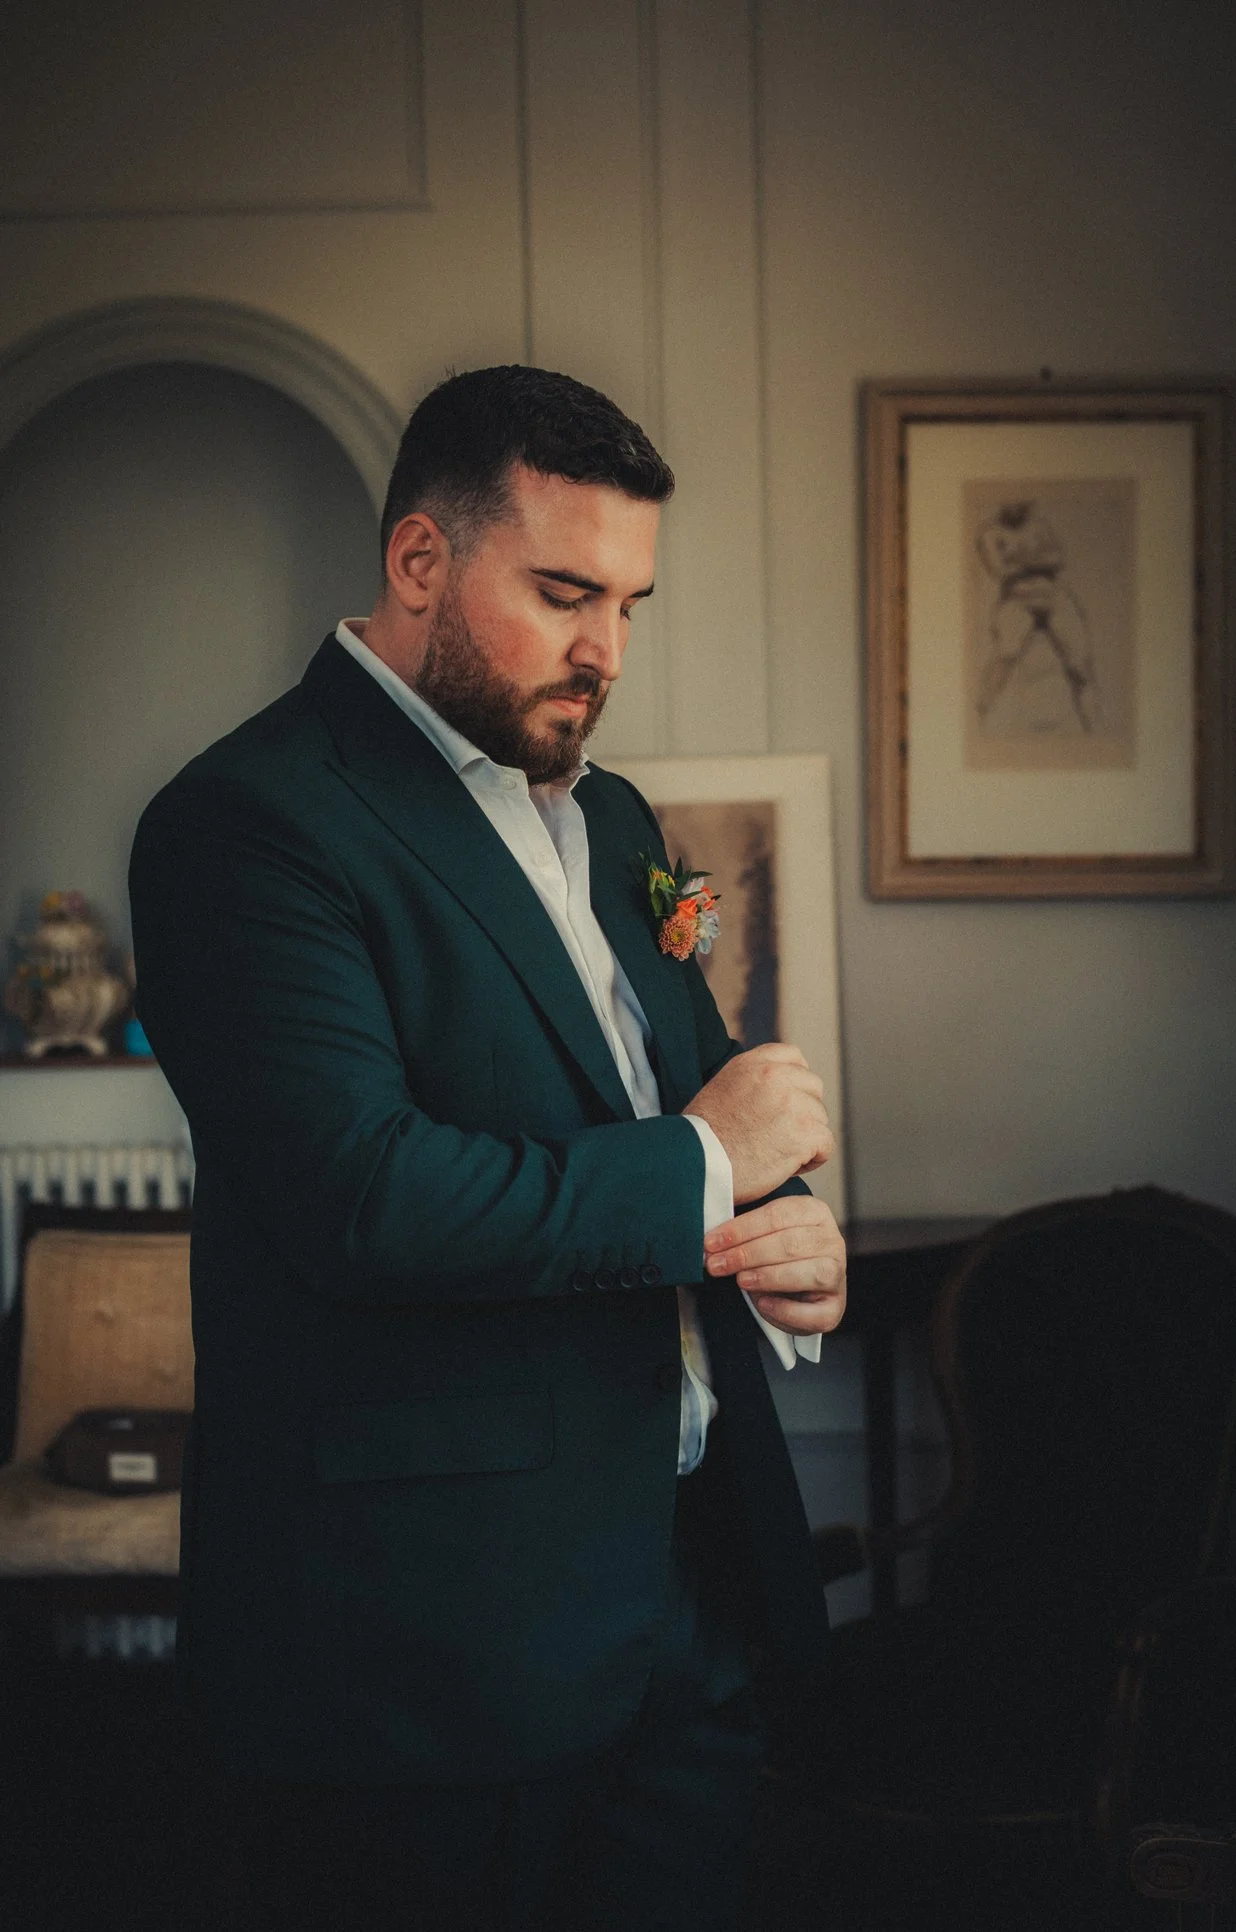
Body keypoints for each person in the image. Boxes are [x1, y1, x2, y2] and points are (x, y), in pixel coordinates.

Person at [128, 364, 846, 1931]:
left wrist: (791, 1231)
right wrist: (705, 1169)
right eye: (568, 592)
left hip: (685, 1590)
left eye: (635, 605)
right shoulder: (246, 824)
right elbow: (361, 1197)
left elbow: (695, 1105)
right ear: (420, 563)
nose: (608, 652)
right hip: (427, 1649)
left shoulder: (626, 825)